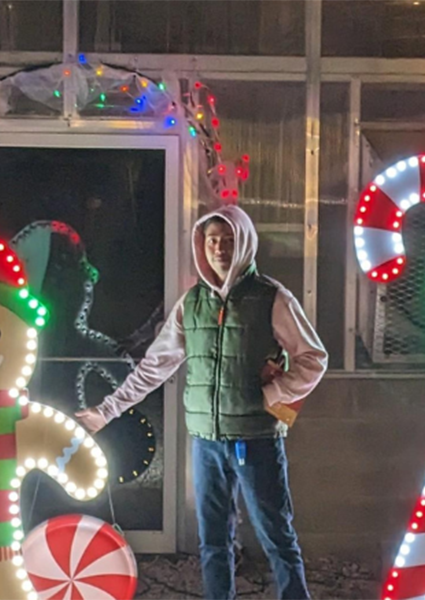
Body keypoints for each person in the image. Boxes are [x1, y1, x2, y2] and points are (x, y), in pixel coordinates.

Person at [76, 205, 327, 600]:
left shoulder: (271, 298)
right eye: (212, 241)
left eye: (228, 240)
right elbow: (153, 367)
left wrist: (273, 395)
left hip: (255, 440)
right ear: (201, 245)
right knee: (212, 541)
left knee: (276, 535)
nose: (220, 249)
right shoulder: (191, 304)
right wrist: (106, 410)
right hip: (206, 443)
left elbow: (314, 358)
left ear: (243, 242)